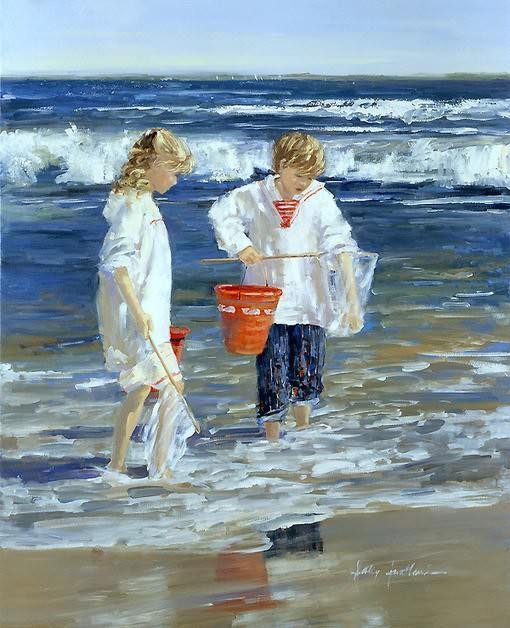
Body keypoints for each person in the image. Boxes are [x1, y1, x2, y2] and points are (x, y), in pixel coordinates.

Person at [209, 131, 362, 440]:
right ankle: (272, 437)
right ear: (280, 166)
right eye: (298, 174)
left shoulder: (320, 199)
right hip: (268, 302)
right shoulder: (255, 195)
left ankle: (303, 432)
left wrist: (352, 300)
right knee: (272, 369)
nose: (304, 182)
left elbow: (341, 246)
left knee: (308, 367)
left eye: (309, 176)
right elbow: (221, 214)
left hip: (310, 301)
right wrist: (241, 246)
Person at [97, 128, 195, 479]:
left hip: (149, 313)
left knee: (144, 388)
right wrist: (139, 314)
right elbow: (117, 265)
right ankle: (157, 467)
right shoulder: (132, 206)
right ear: (153, 164)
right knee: (167, 385)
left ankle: (128, 464)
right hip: (137, 316)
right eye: (173, 171)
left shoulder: (145, 203)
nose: (175, 180)